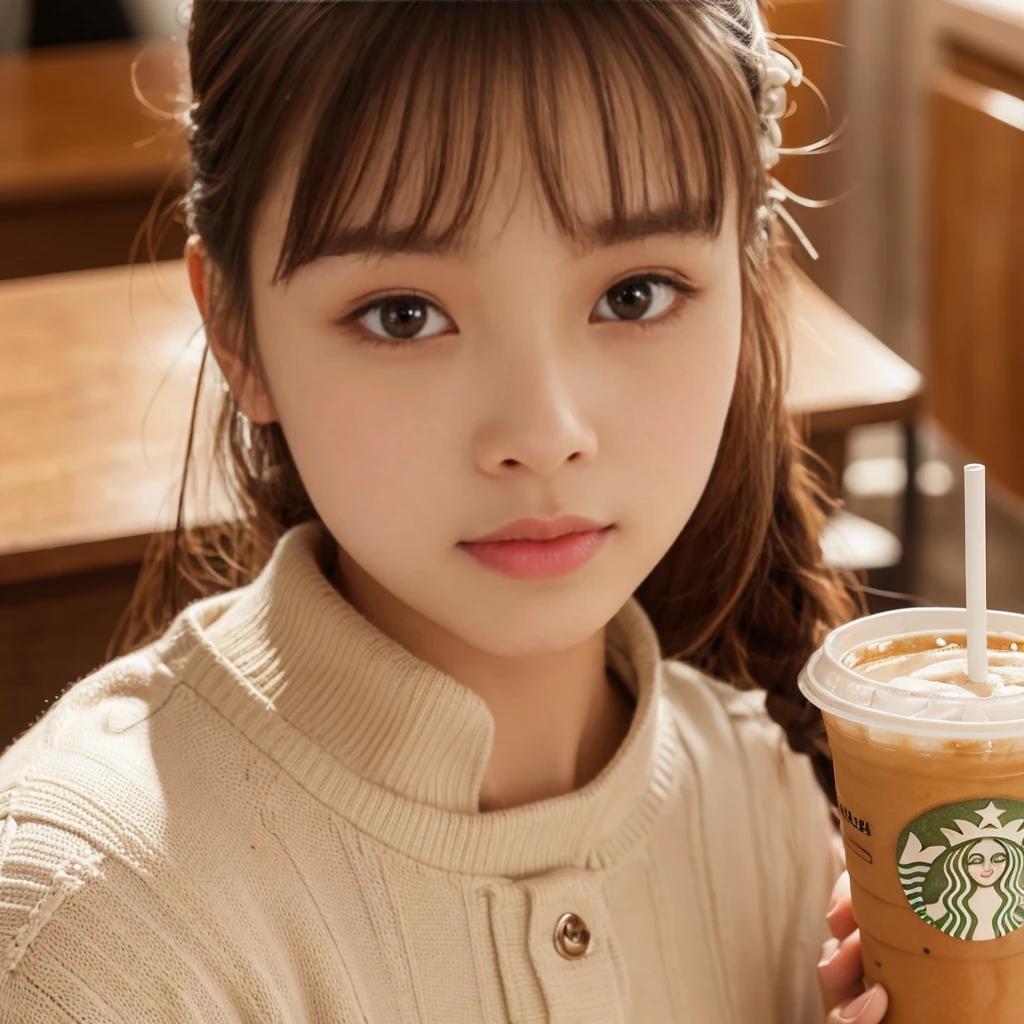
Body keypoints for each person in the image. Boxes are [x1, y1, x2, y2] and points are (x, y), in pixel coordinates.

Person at [0, 3, 885, 1022]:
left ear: (746, 279)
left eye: (635, 294)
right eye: (404, 314)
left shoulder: (772, 813)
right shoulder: (90, 928)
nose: (543, 432)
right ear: (235, 331)